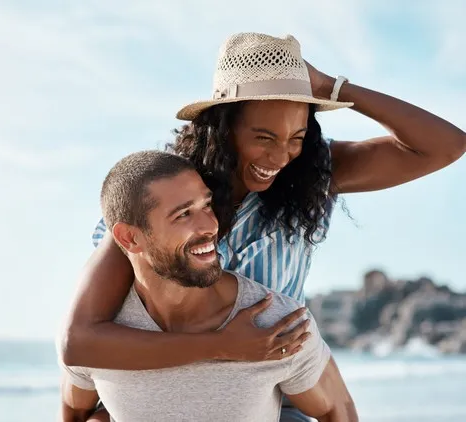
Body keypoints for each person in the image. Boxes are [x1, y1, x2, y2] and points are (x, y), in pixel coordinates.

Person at [59, 33, 466, 421]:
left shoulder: (311, 175)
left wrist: (335, 89)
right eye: (264, 136)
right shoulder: (169, 200)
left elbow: (446, 145)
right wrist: (220, 349)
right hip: (160, 387)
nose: (281, 155)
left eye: (297, 136)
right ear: (224, 126)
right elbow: (80, 340)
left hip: (274, 391)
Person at [58, 150, 358, 421]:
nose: (210, 226)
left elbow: (337, 409)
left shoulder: (274, 325)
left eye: (207, 205)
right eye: (184, 214)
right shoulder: (101, 340)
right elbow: (74, 410)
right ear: (130, 238)